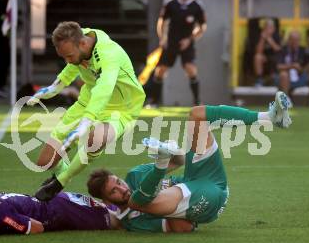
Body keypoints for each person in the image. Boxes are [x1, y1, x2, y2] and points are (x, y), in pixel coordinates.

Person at [87, 92, 292, 232]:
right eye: (113, 191)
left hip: (203, 178)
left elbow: (180, 160)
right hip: (204, 202)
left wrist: (173, 152)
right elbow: (182, 228)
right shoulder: (133, 222)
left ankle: (269, 117)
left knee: (197, 115)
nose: (121, 188)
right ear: (107, 201)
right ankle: (160, 160)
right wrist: (163, 171)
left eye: (118, 182)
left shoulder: (134, 176)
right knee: (136, 204)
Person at [27, 21, 146, 201]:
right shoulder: (79, 42)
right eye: (64, 57)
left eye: (69, 56)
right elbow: (70, 68)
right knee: (46, 162)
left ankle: (60, 182)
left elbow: (104, 89)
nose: (67, 60)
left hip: (121, 110)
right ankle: (61, 172)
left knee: (96, 138)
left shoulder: (108, 53)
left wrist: (86, 122)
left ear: (82, 44)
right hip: (85, 104)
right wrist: (51, 89)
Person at [0, 191, 112, 236]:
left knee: (114, 221)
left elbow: (37, 227)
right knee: (112, 212)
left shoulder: (0, 216)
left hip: (61, 210)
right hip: (55, 201)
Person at [147, 0, 206, 106]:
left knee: (191, 69)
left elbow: (202, 27)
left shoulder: (197, 6)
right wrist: (163, 38)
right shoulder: (171, 4)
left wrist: (189, 39)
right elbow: (161, 22)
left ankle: (197, 101)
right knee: (160, 70)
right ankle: (154, 101)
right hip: (171, 42)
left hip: (187, 44)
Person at [276, 30, 309, 108]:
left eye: (297, 40)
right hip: (285, 78)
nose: (295, 42)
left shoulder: (303, 50)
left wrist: (304, 69)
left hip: (300, 76)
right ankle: (286, 99)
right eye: (293, 40)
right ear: (289, 40)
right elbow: (278, 66)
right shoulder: (283, 50)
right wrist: (292, 66)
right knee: (283, 74)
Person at [253, 19, 281, 87]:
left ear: (274, 29)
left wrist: (269, 38)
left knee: (277, 59)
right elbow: (258, 51)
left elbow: (277, 49)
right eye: (266, 27)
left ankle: (274, 79)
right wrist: (262, 38)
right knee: (257, 57)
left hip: (275, 57)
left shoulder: (277, 36)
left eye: (270, 27)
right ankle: (259, 80)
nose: (267, 29)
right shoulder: (259, 36)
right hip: (265, 58)